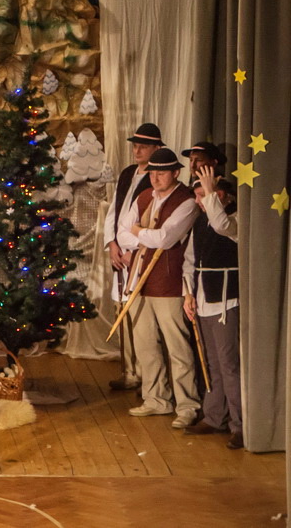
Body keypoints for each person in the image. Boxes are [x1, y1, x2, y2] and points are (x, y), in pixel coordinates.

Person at [116, 148, 200, 428]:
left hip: (168, 284)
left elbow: (166, 238)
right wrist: (142, 235)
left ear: (175, 172)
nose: (155, 177)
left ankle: (187, 404)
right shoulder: (143, 197)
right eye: (152, 172)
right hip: (139, 282)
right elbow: (122, 234)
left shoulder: (186, 201)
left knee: (177, 348)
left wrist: (139, 232)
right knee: (145, 346)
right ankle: (156, 399)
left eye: (161, 172)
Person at [182, 168, 243, 449]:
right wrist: (188, 294)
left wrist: (209, 194)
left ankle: (240, 425)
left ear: (219, 195)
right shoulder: (201, 221)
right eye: (198, 195)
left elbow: (223, 227)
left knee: (229, 365)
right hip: (204, 299)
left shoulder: (235, 218)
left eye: (202, 195)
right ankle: (214, 416)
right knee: (212, 364)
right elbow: (189, 260)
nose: (199, 201)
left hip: (225, 301)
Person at [103, 122, 162, 391]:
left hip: (138, 254)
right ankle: (129, 371)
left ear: (156, 149)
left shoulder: (157, 177)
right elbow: (115, 211)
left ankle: (145, 374)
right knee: (123, 313)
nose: (137, 151)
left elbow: (153, 221)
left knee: (139, 315)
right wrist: (112, 243)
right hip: (121, 252)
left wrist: (133, 250)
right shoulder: (128, 173)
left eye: (143, 147)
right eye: (135, 146)